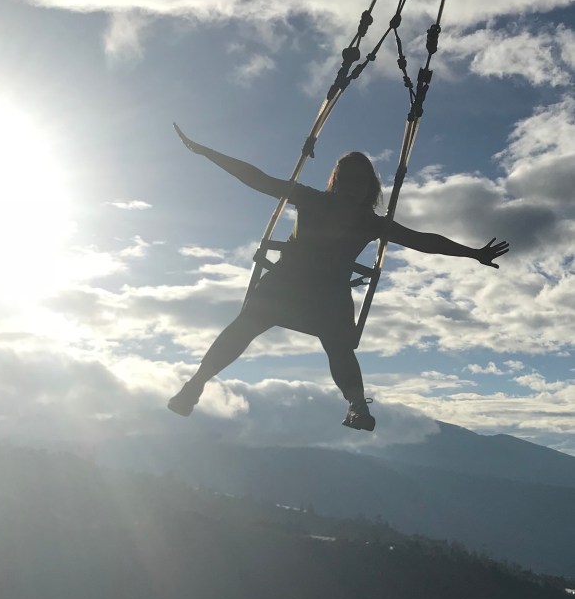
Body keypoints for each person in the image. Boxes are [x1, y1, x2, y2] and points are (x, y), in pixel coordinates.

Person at [168, 124, 509, 431]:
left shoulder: (367, 221)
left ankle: (357, 406)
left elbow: (422, 240)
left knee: (338, 347)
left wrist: (473, 252)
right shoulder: (312, 200)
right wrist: (206, 152)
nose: (352, 187)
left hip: (320, 293)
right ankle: (196, 384)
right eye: (346, 179)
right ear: (337, 181)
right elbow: (257, 178)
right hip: (291, 286)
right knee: (244, 329)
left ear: (368, 187)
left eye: (359, 182)